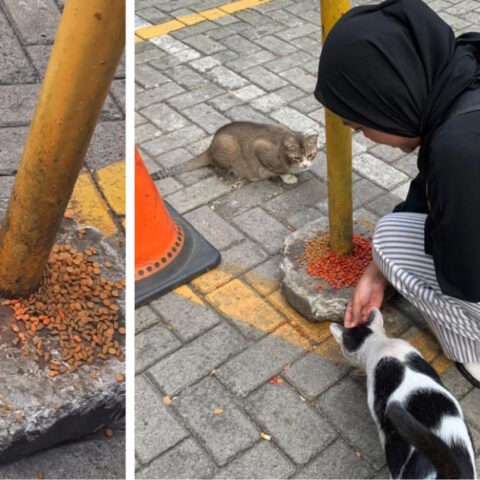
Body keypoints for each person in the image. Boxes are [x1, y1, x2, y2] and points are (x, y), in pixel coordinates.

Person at [314, 0, 480, 387]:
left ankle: (473, 353)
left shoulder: (459, 151)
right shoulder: (463, 68)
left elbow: (465, 276)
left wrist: (392, 264)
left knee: (389, 241)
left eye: (360, 126)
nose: (369, 139)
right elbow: (431, 182)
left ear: (388, 100)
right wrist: (377, 275)